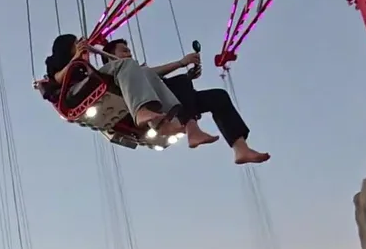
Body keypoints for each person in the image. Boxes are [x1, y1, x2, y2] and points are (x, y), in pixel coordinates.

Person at [102, 38, 270, 165]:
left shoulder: (135, 70)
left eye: (129, 51)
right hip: (146, 102)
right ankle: (191, 129)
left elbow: (152, 74)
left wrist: (188, 74)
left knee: (218, 96)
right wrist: (181, 63)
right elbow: (152, 72)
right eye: (124, 51)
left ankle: (241, 148)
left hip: (167, 100)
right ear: (110, 57)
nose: (129, 54)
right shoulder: (117, 69)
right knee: (179, 81)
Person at [44, 34, 185, 136]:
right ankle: (140, 111)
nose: (78, 45)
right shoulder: (54, 62)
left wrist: (88, 54)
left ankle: (165, 120)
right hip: (72, 92)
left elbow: (90, 72)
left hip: (90, 82)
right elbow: (58, 79)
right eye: (76, 43)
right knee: (127, 64)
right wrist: (77, 57)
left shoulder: (82, 61)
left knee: (145, 71)